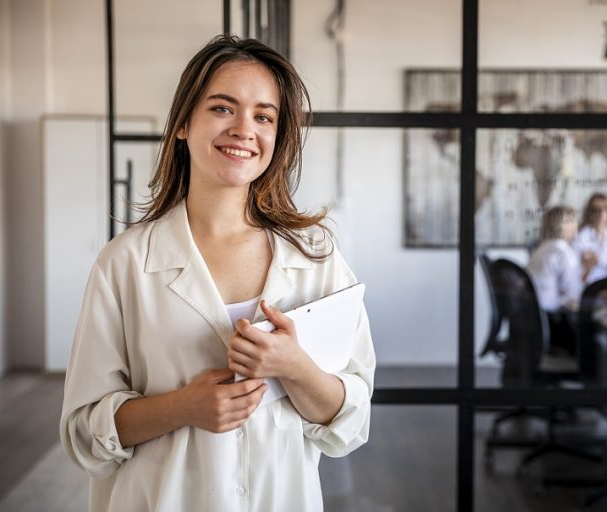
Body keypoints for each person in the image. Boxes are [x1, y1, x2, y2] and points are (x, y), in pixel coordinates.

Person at [60, 36, 375, 512]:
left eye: (264, 116)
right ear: (184, 123)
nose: (244, 129)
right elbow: (84, 434)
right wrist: (182, 407)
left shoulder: (316, 258)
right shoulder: (123, 264)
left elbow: (350, 424)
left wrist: (295, 368)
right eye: (223, 108)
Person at [528, 206, 591, 355]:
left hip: (536, 323)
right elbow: (574, 296)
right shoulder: (564, 253)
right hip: (555, 325)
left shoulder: (540, 250)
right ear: (560, 226)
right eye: (571, 221)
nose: (576, 225)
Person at [573, 192, 607, 283]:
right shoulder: (579, 237)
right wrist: (589, 266)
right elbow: (574, 274)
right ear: (589, 213)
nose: (600, 214)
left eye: (605, 210)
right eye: (596, 210)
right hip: (588, 288)